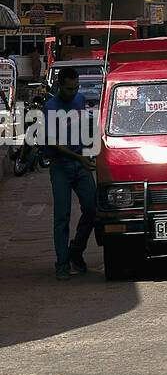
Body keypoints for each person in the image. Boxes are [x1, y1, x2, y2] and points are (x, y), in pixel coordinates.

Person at [45, 67, 96, 279]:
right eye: (69, 89)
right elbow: (53, 143)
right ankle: (62, 263)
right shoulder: (50, 108)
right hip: (61, 166)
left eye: (76, 88)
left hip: (81, 164)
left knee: (93, 209)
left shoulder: (80, 99)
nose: (73, 92)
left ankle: (77, 250)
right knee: (62, 216)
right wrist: (79, 157)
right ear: (59, 85)